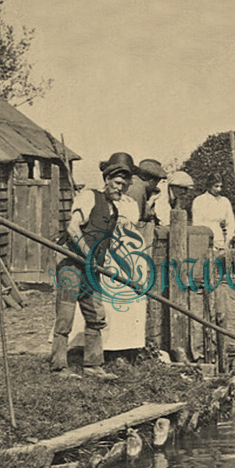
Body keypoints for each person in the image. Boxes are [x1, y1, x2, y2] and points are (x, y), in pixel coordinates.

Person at [51, 152, 138, 380]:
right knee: (65, 317)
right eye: (118, 183)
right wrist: (88, 255)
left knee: (96, 315)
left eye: (125, 186)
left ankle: (93, 365)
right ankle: (59, 367)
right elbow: (72, 228)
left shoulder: (115, 211)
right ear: (107, 179)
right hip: (71, 263)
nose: (120, 189)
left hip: (91, 269)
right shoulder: (89, 197)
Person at [191, 178, 235, 249]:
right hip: (204, 240)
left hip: (220, 240)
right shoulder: (199, 200)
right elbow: (196, 223)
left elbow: (230, 222)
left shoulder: (224, 201)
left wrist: (227, 241)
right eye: (216, 186)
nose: (219, 189)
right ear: (209, 186)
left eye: (221, 186)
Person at [127, 159, 166, 224]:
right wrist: (151, 200)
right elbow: (136, 218)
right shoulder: (137, 188)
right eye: (157, 182)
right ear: (152, 180)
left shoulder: (136, 183)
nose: (156, 185)